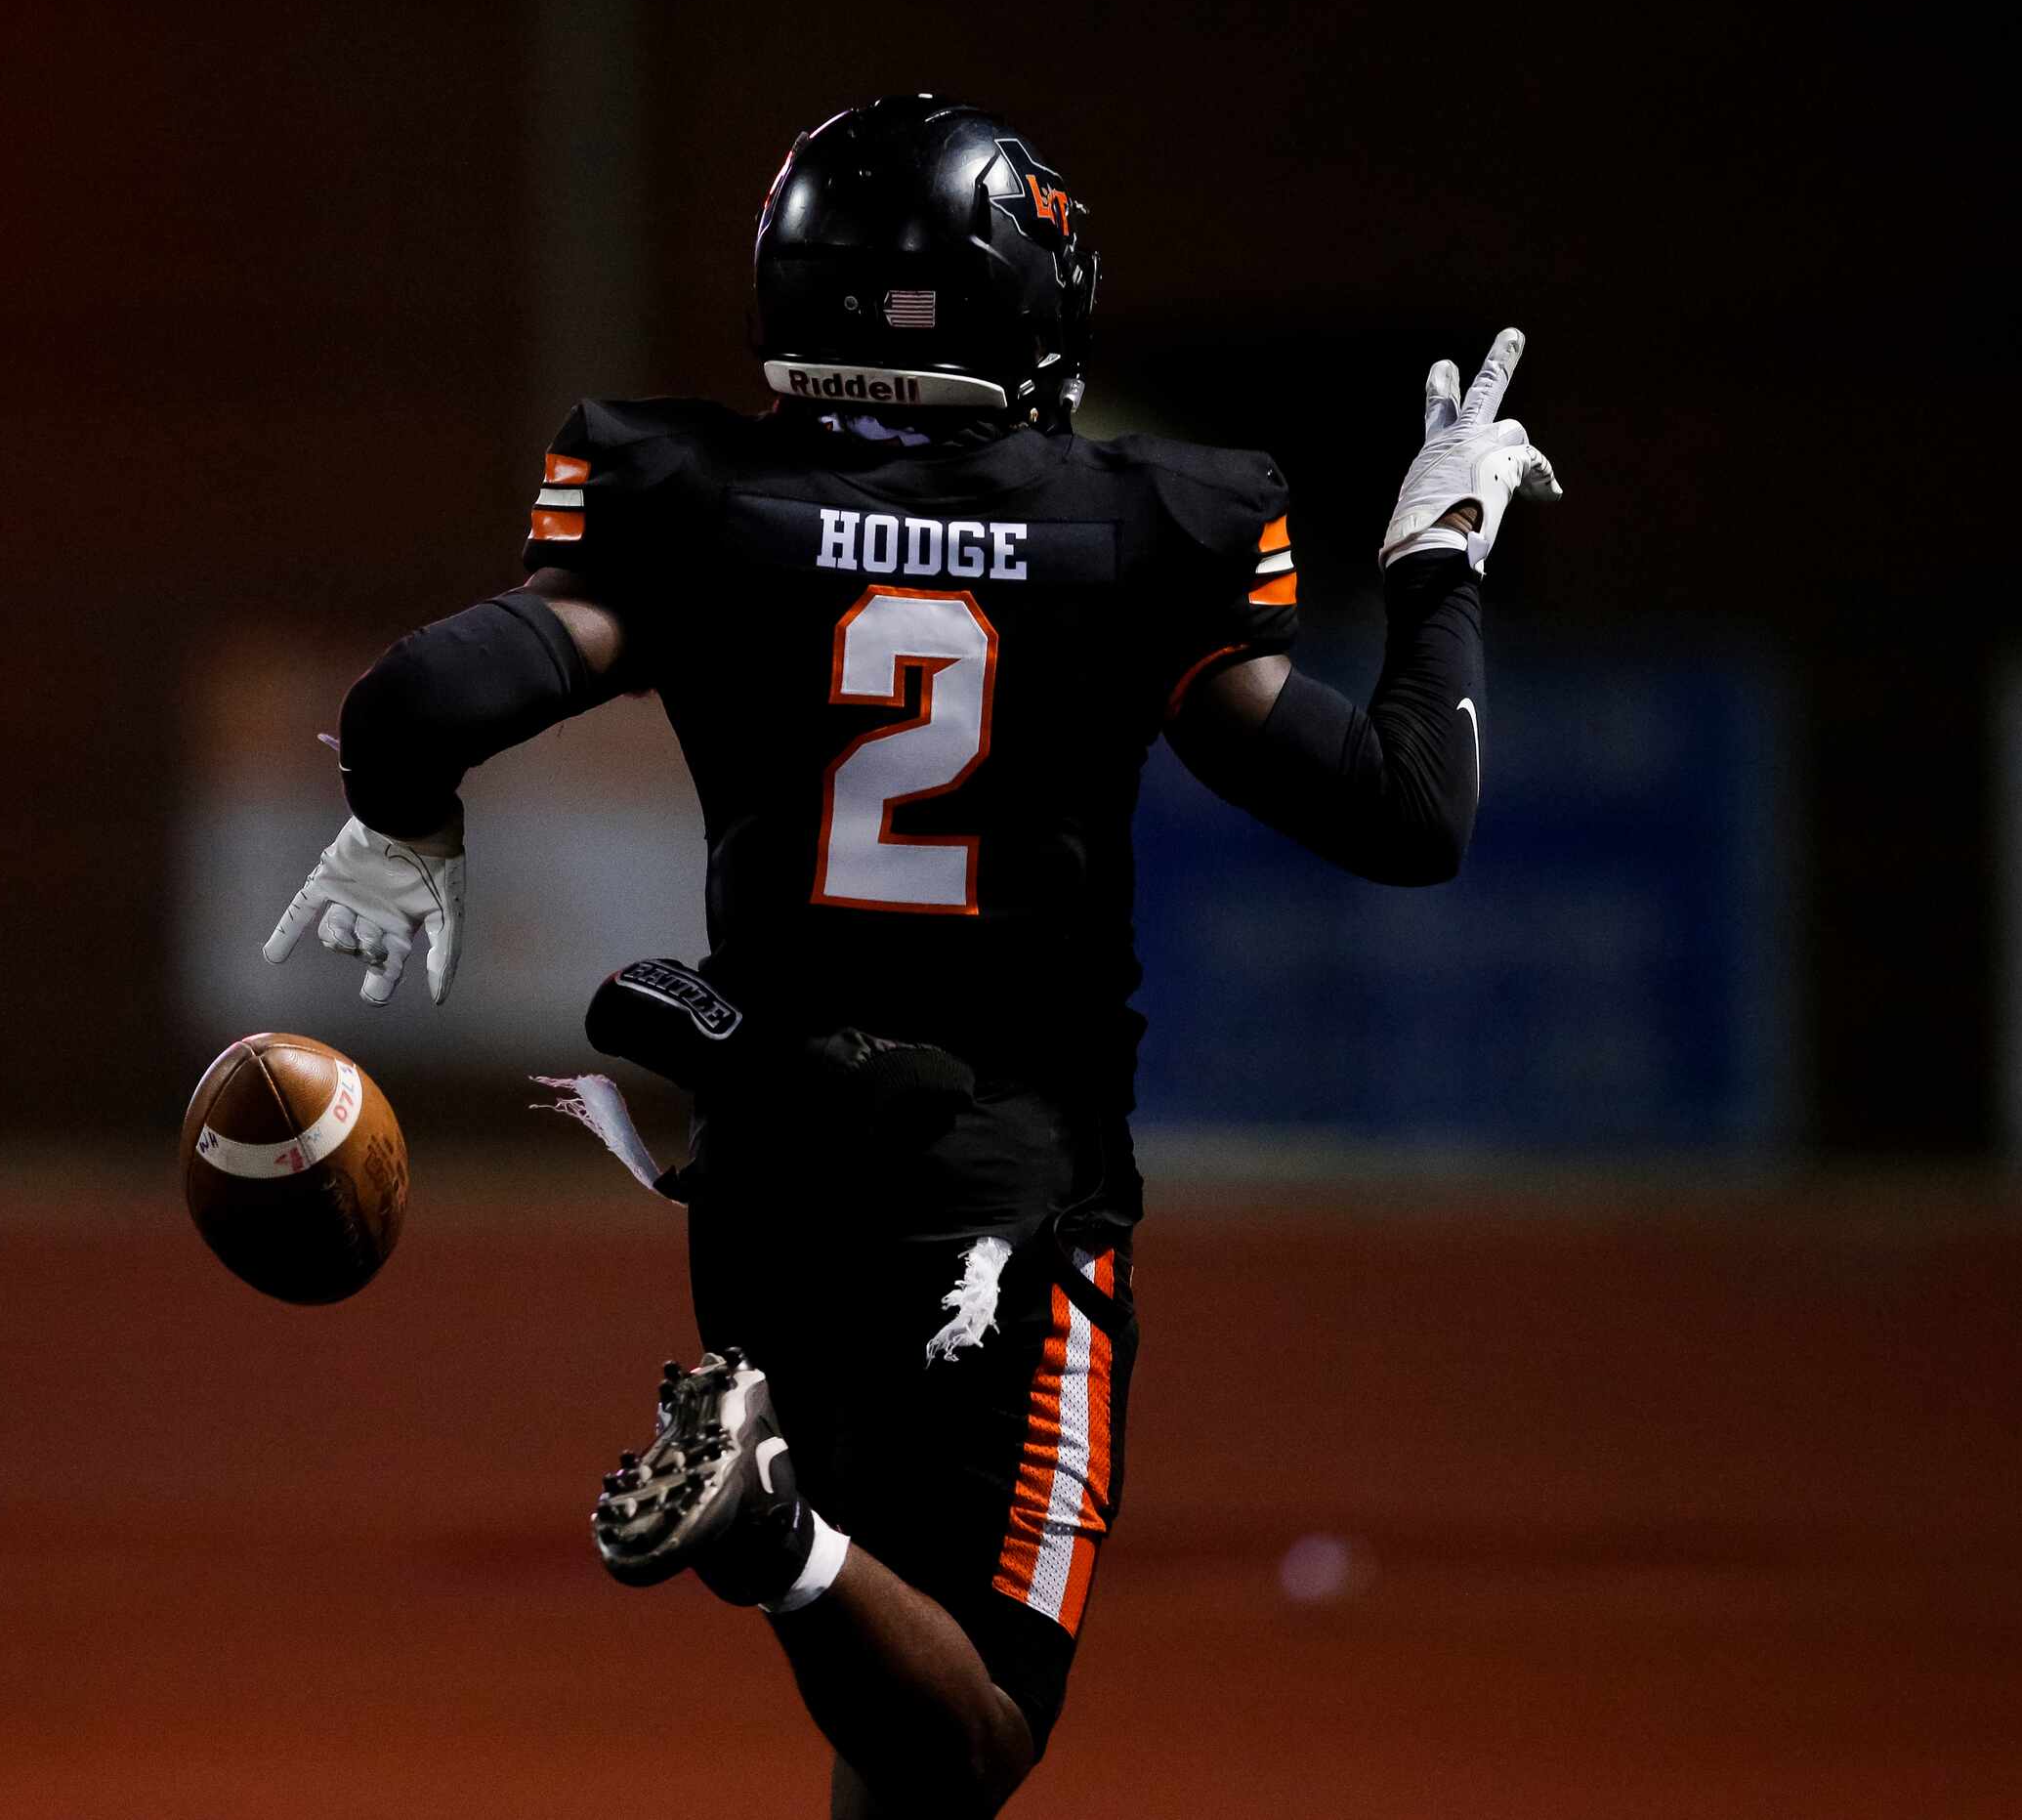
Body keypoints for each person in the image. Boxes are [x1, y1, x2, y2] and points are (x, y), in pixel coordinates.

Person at [260, 94, 1561, 1819]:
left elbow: (414, 701)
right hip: (997, 1168)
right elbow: (1411, 812)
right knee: (976, 1723)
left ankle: (775, 1517)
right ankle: (767, 1527)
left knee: (891, 1703)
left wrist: (403, 825)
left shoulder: (698, 501)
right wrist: (1436, 562)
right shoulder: (1133, 528)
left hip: (770, 1157)